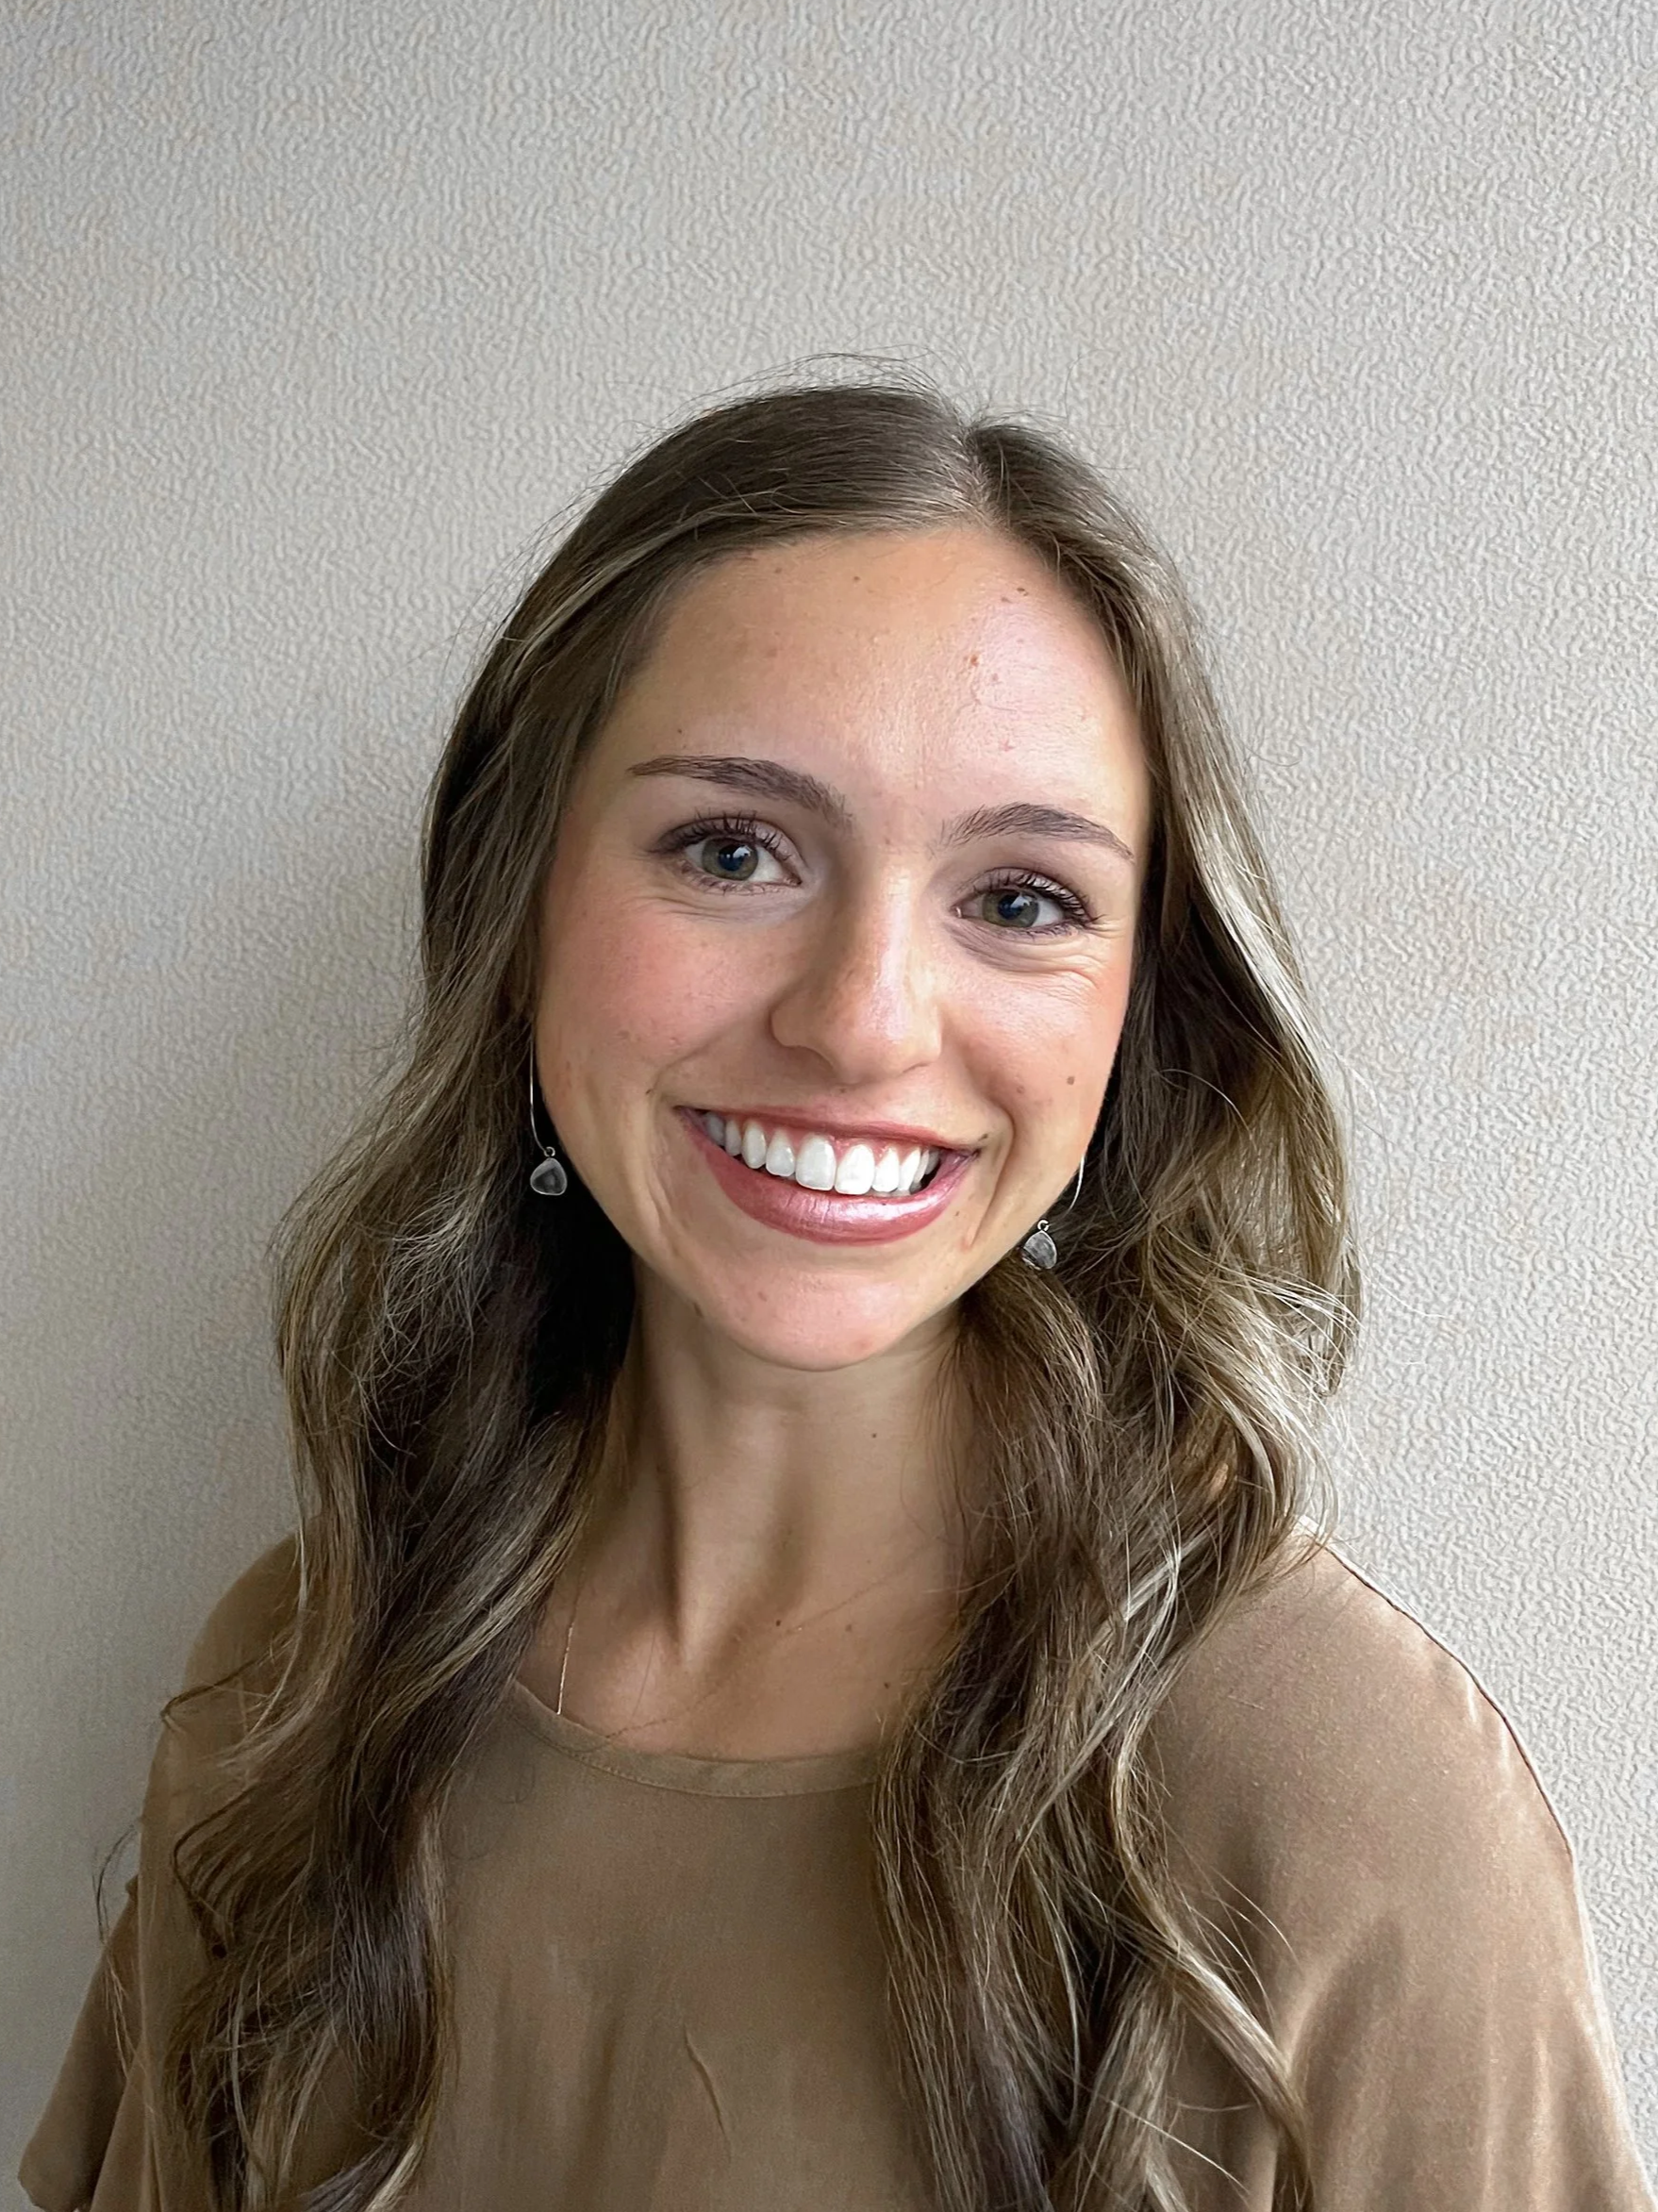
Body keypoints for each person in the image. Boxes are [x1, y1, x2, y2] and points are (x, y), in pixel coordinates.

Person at [21, 381, 1653, 2212]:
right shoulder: (302, 1677)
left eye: (1020, 898)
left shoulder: (1332, 1798)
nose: (863, 1020)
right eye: (733, 850)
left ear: (1137, 1010)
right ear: (515, 901)